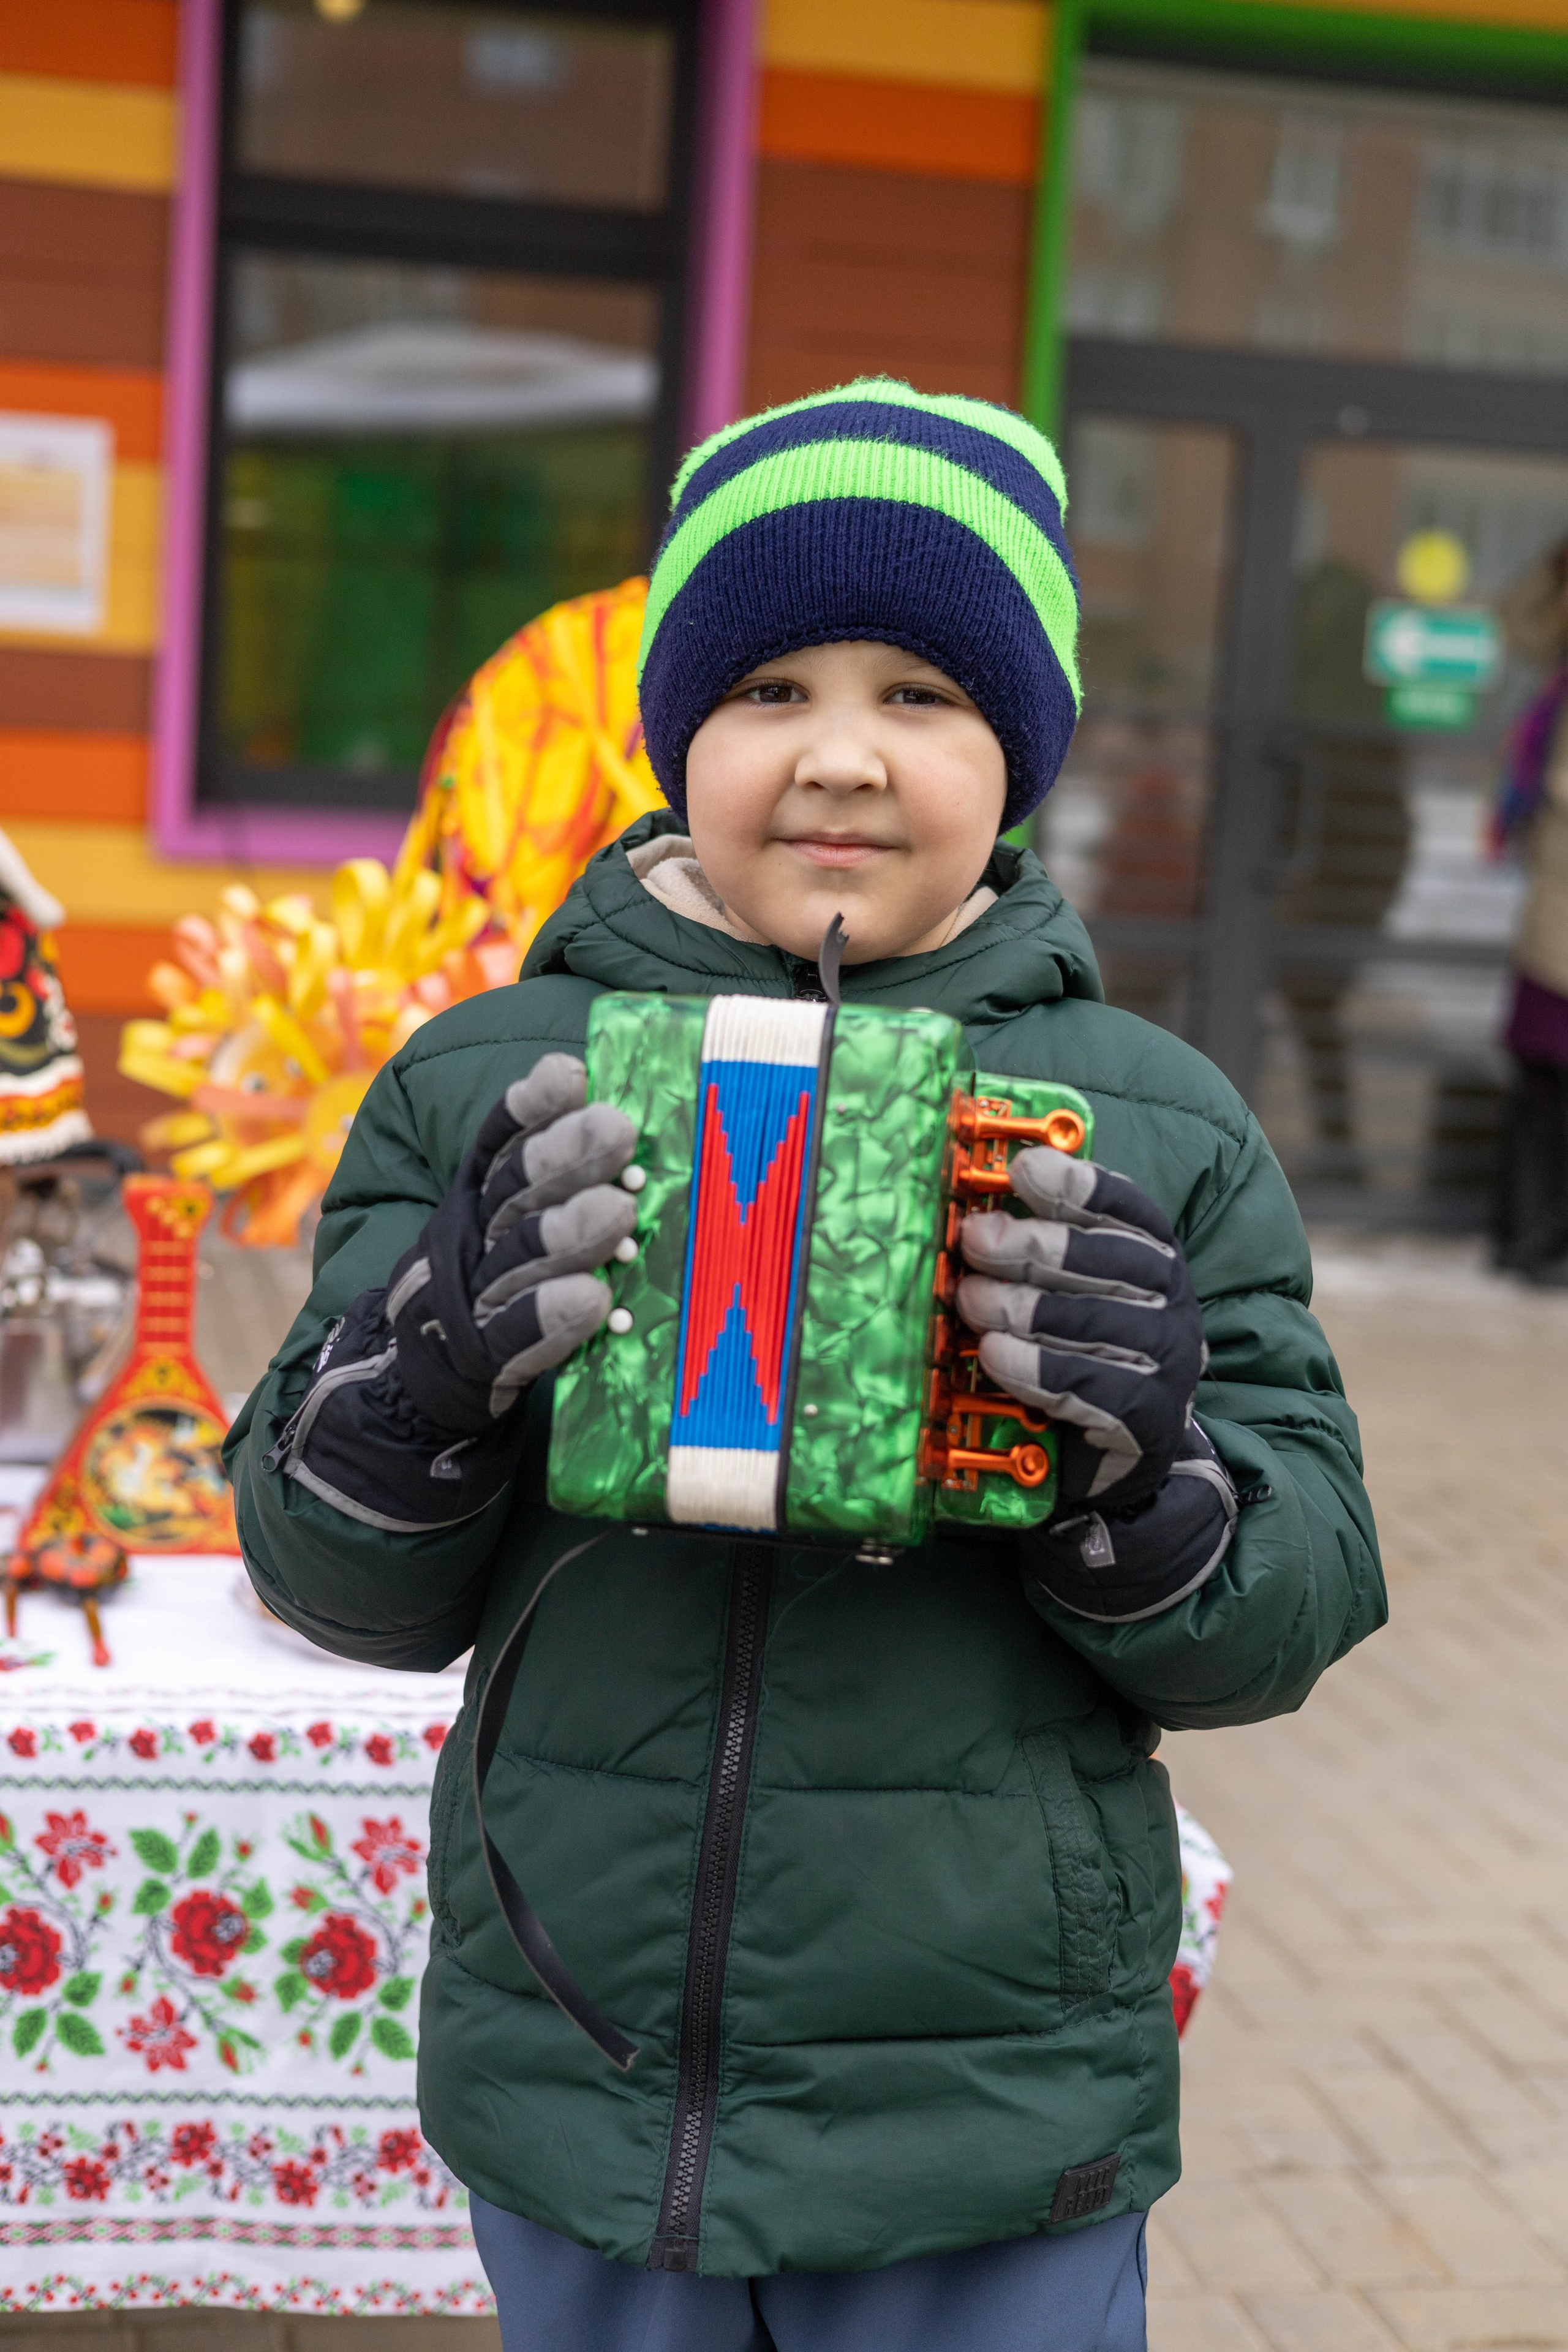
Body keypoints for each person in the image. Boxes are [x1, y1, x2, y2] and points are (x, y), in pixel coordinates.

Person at [226, 380, 1384, 2352]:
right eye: (767, 685)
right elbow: (325, 1571)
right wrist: (416, 1391)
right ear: (679, 733)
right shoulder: (482, 1075)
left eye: (921, 695)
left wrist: (1145, 1478)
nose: (840, 754)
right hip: (582, 2064)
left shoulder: (1156, 1121)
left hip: (988, 2098)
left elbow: (1294, 1598)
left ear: (1014, 755)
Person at [1491, 535, 1568, 1285]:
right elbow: (1513, 624)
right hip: (1552, 917)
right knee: (1536, 1080)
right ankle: (1523, 1236)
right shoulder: (1558, 673)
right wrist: (1551, 564)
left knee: (1549, 1086)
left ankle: (1539, 1243)